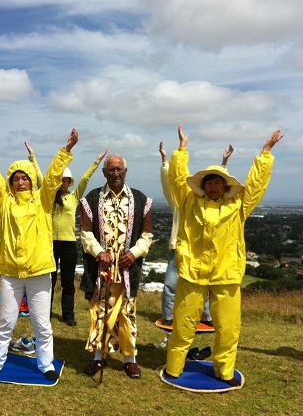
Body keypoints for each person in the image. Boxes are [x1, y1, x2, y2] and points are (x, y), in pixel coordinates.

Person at [164, 124, 282, 385]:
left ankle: (225, 371)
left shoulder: (238, 206)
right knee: (183, 325)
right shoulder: (189, 202)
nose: (214, 185)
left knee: (228, 329)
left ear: (225, 185)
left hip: (226, 275)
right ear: (204, 185)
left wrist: (265, 152)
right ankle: (174, 366)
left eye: (219, 181)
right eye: (210, 181)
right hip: (193, 272)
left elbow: (255, 186)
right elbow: (177, 177)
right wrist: (182, 149)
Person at [0, 129, 78, 380]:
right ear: (11, 182)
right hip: (11, 272)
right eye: (16, 178)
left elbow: (53, 178)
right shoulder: (4, 202)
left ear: (32, 180)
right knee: (5, 321)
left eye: (25, 177)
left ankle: (45, 364)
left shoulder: (43, 201)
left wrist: (65, 151)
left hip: (39, 271)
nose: (21, 181)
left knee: (42, 323)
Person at [80, 154, 153, 379]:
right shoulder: (91, 199)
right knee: (100, 311)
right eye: (111, 170)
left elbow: (147, 235)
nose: (115, 173)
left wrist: (134, 253)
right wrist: (98, 252)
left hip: (127, 270)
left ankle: (130, 359)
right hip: (101, 270)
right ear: (104, 173)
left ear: (125, 171)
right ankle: (98, 358)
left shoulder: (141, 200)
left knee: (127, 313)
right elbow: (85, 234)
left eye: (119, 169)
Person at [26, 142, 107, 326]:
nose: (63, 182)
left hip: (69, 244)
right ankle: (44, 314)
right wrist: (32, 157)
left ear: (70, 182)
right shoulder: (48, 196)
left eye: (66, 180)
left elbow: (85, 179)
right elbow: (40, 178)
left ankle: (68, 315)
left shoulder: (74, 197)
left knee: (68, 282)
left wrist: (96, 162)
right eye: (61, 179)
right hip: (50, 243)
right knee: (49, 281)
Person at [159, 141, 234, 327]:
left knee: (205, 283)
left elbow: (218, 187)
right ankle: (169, 316)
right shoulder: (180, 201)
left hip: (201, 249)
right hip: (178, 247)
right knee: (170, 284)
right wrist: (164, 162)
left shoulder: (203, 202)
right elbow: (170, 183)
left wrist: (224, 163)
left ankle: (205, 317)